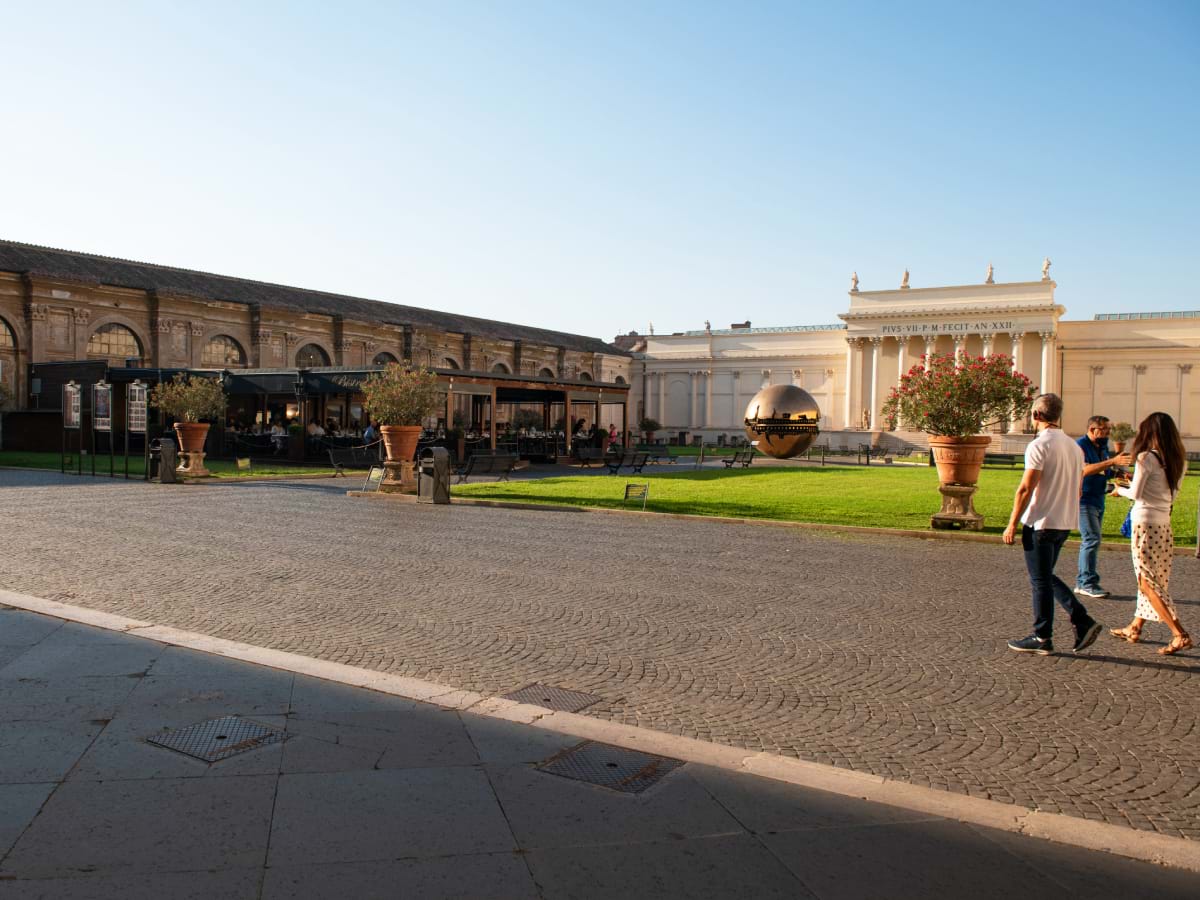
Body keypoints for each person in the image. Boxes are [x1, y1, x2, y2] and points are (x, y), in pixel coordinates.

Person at [1003, 393, 1103, 655]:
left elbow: (1026, 488)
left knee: (1040, 581)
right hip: (1063, 522)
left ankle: (1042, 636)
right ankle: (1081, 621)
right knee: (1045, 576)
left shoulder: (1039, 445)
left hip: (1040, 522)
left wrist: (1012, 523)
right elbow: (1078, 489)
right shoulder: (1074, 447)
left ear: (1036, 415)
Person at [1108, 412, 1193, 655]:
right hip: (1164, 525)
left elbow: (1135, 493)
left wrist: (1119, 490)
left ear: (1151, 433)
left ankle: (1179, 634)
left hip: (1144, 524)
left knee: (1147, 582)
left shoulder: (1146, 457)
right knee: (1153, 578)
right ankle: (1135, 627)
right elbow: (1171, 495)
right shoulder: (1179, 459)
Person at [1075, 416, 1132, 598]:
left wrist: (1121, 473)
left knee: (1092, 540)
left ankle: (1082, 581)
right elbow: (1083, 470)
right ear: (1092, 429)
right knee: (1091, 539)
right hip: (1084, 500)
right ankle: (1086, 582)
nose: (1107, 434)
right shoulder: (1080, 446)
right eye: (1104, 430)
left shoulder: (1101, 447)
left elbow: (1105, 471)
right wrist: (1112, 462)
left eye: (1109, 430)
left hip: (1099, 498)